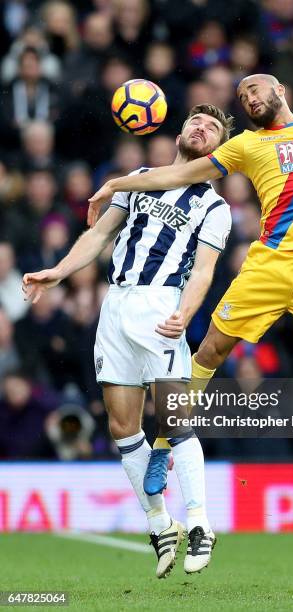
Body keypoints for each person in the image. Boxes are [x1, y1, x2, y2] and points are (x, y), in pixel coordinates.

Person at [88, 74, 293, 539]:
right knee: (210, 350)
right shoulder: (245, 146)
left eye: (254, 90)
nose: (248, 98)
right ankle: (162, 445)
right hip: (270, 264)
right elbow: (177, 174)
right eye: (241, 97)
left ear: (281, 89)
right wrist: (115, 184)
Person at [23, 104, 233, 577]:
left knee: (175, 418)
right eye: (196, 122)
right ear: (178, 131)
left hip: (161, 307)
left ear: (218, 149)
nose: (201, 128)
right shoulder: (139, 178)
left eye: (213, 128)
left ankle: (200, 521)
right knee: (122, 427)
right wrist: (59, 271)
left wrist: (185, 313)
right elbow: (100, 234)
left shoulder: (213, 206)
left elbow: (203, 270)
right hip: (115, 307)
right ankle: (161, 524)